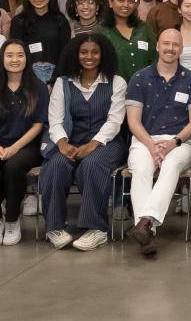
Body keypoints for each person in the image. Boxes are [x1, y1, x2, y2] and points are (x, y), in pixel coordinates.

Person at [121, 27, 191, 257]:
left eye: (175, 45)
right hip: (144, 139)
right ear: (157, 46)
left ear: (181, 49)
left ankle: (145, 222)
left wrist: (173, 143)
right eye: (166, 44)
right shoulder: (139, 78)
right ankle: (146, 231)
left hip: (180, 142)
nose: (170, 48)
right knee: (141, 168)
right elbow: (133, 121)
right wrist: (151, 146)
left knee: (171, 165)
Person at [39, 32, 127, 251]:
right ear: (75, 54)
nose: (89, 57)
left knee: (92, 164)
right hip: (70, 140)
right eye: (84, 52)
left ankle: (96, 230)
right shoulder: (62, 83)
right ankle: (55, 228)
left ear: (103, 55)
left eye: (95, 52)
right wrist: (62, 143)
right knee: (56, 165)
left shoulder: (116, 82)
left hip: (107, 143)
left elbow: (115, 121)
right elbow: (55, 119)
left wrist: (93, 144)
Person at [0, 40, 47, 246]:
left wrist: (14, 148)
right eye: (9, 55)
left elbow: (38, 125)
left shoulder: (38, 87)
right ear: (2, 59)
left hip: (27, 146)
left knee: (14, 167)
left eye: (20, 55)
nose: (15, 60)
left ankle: (13, 220)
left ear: (27, 59)